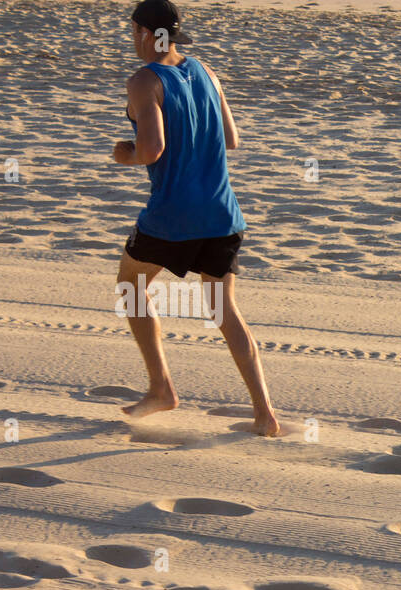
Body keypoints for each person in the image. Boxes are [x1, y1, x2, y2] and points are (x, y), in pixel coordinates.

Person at [112, 0, 280, 436]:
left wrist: (125, 155)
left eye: (133, 31)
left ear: (143, 32)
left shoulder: (144, 81)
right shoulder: (204, 70)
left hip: (174, 216)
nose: (133, 39)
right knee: (224, 310)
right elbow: (231, 139)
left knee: (130, 285)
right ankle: (265, 414)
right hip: (224, 214)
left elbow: (152, 150)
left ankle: (161, 388)